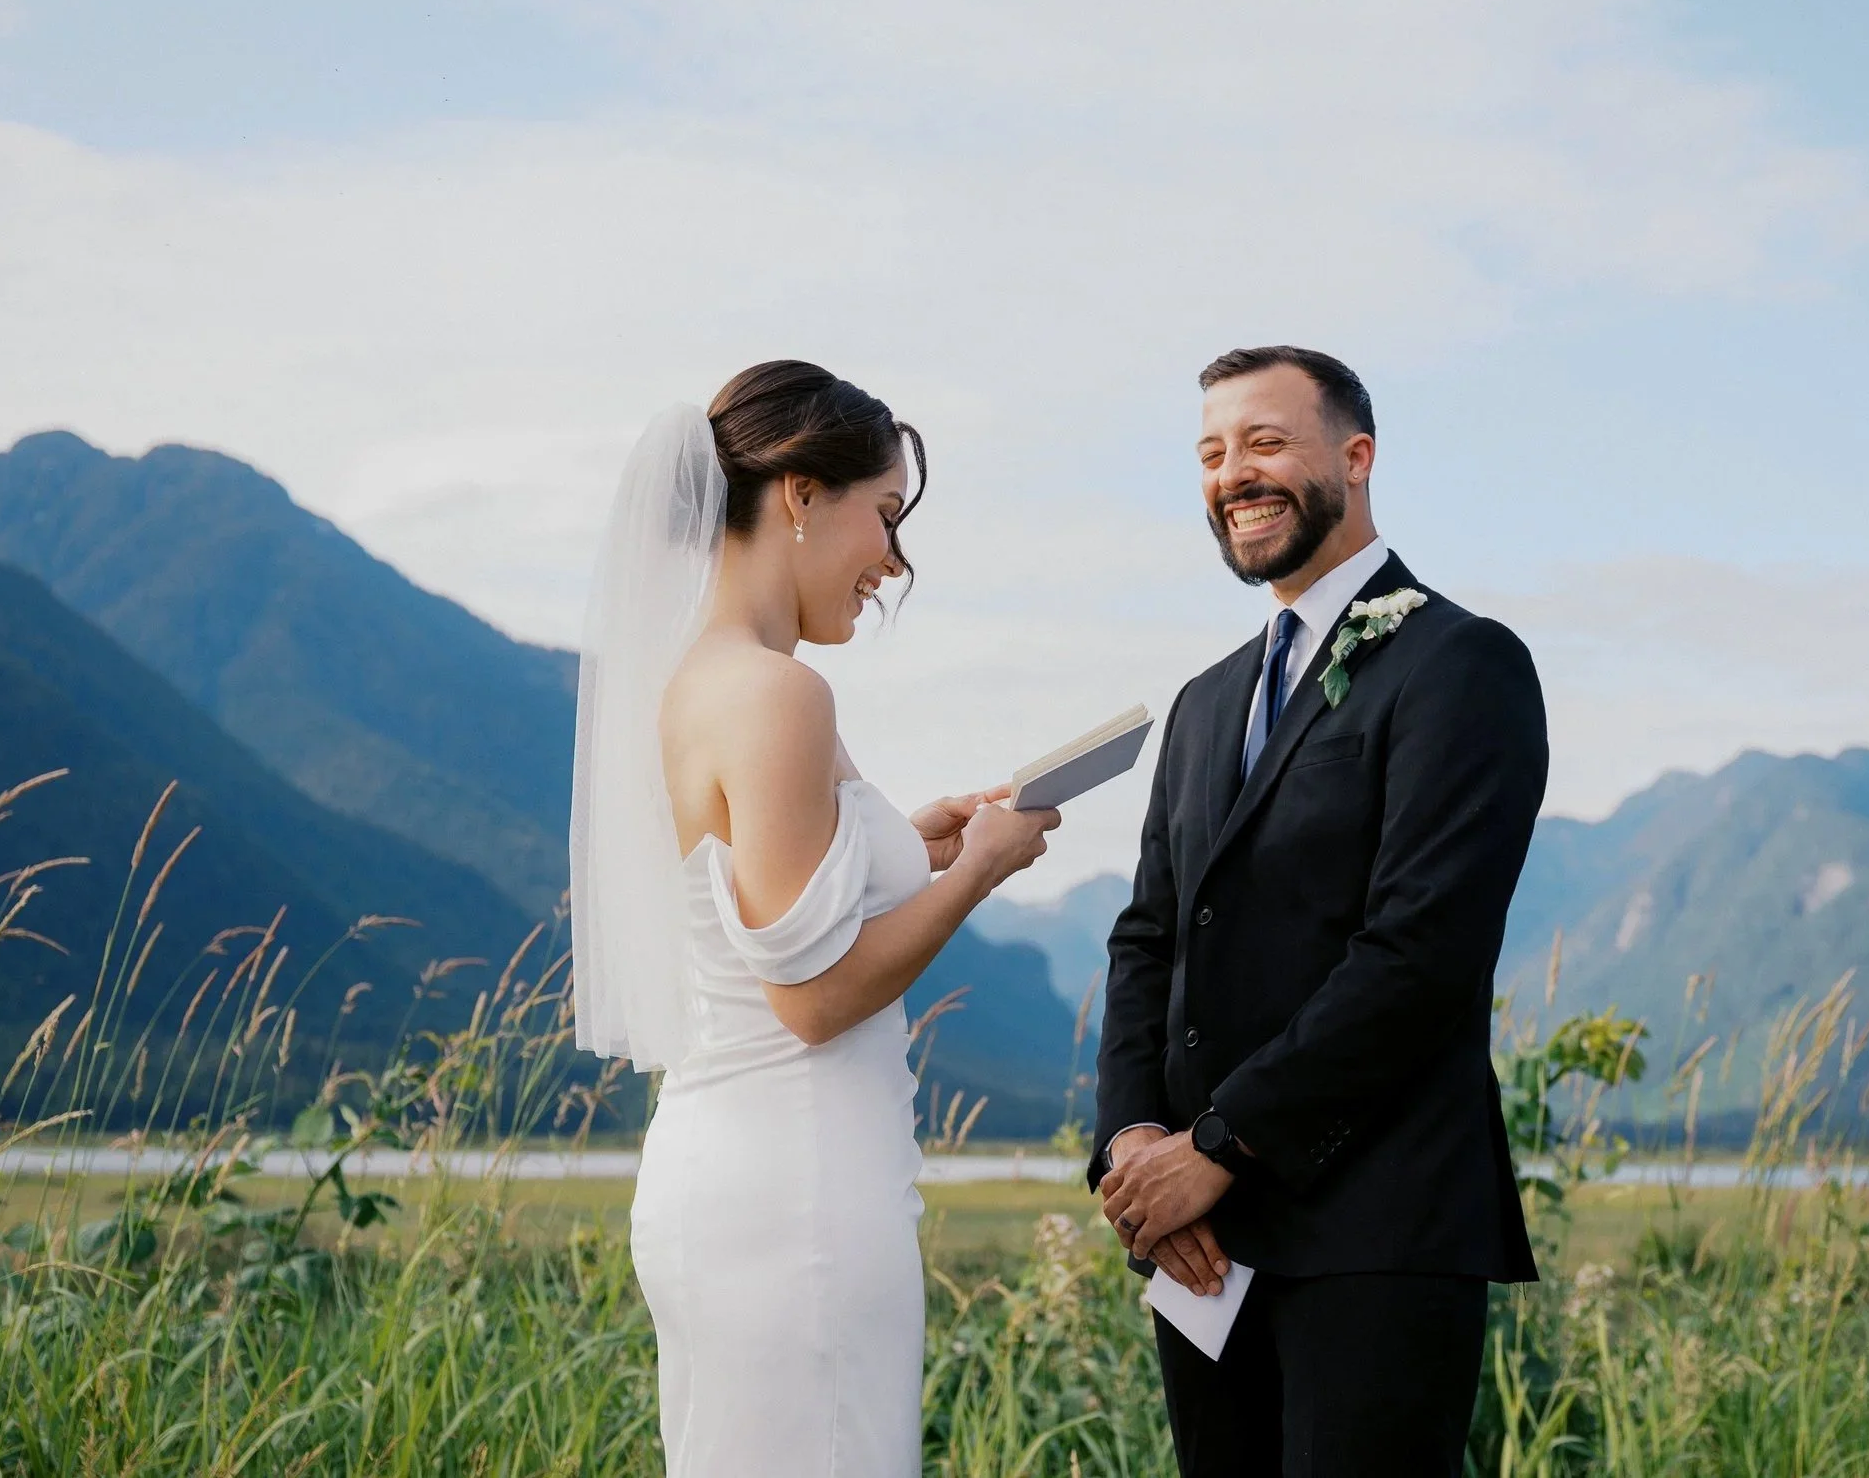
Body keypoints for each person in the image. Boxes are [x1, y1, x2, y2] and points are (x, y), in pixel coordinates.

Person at [568, 361, 1061, 1477]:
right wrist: (974, 872)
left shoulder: (704, 679)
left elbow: (768, 916)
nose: (892, 560)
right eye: (882, 515)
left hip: (739, 1179)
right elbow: (813, 997)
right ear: (799, 494)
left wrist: (918, 844)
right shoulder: (778, 694)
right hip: (794, 1198)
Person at [1093, 346, 1549, 1477]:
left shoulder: (1462, 663)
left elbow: (1421, 953)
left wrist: (1223, 1142)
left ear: (1356, 456)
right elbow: (1150, 936)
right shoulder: (1202, 704)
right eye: (1209, 453)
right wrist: (1134, 1147)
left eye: (1263, 442)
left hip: (1374, 1229)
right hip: (1200, 1244)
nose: (1231, 474)